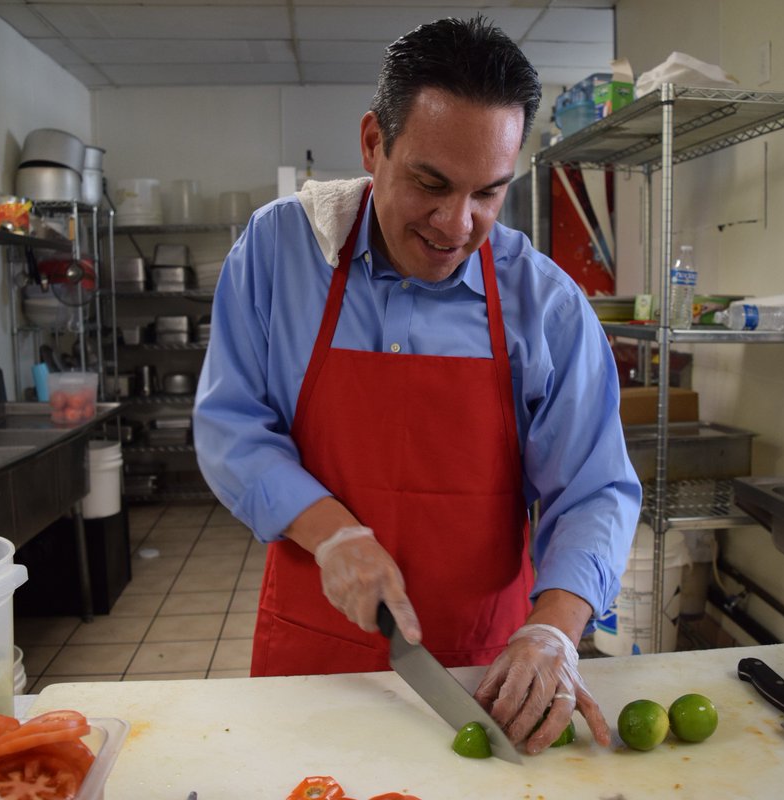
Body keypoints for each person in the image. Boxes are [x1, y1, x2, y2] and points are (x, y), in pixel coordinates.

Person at [193, 15, 641, 755]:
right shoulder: (279, 252)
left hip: (484, 671)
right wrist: (331, 532)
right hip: (313, 659)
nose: (456, 224)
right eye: (431, 184)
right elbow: (230, 424)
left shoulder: (547, 305)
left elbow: (595, 490)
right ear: (374, 143)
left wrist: (555, 630)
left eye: (488, 193)